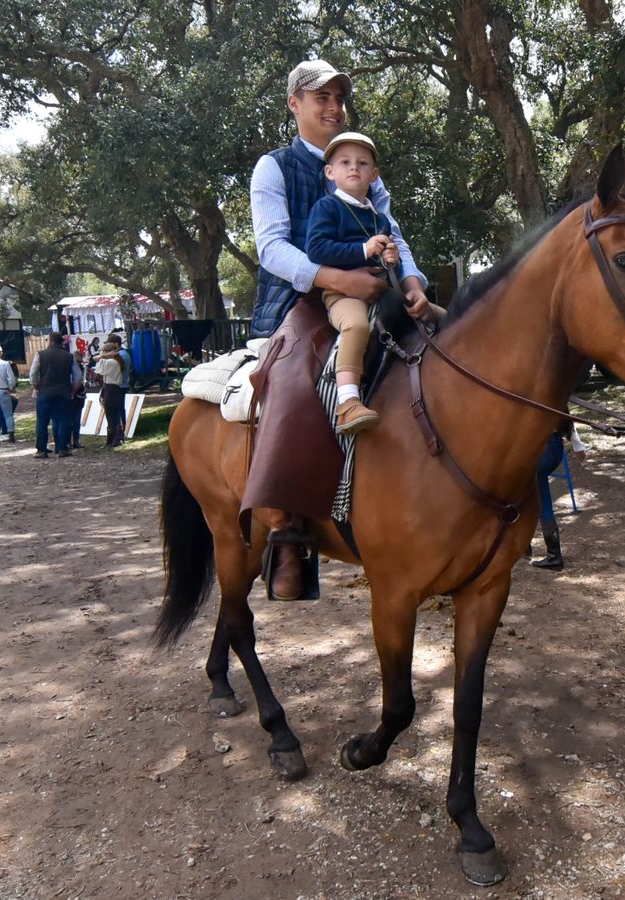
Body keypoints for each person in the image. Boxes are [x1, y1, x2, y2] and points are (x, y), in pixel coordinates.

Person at [250, 59, 428, 600]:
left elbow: (394, 234)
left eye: (338, 98)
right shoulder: (273, 167)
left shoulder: (365, 169)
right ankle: (288, 531)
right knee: (296, 382)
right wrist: (338, 278)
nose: (332, 106)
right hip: (300, 300)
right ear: (294, 105)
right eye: (319, 97)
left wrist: (415, 280)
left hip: (377, 293)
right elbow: (272, 247)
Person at [305, 131, 439, 435]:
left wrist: (389, 258)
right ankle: (347, 401)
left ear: (374, 175)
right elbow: (317, 249)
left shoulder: (379, 217)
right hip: (341, 293)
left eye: (363, 163)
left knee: (437, 315)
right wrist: (363, 250)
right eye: (346, 162)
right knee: (356, 326)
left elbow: (390, 256)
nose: (354, 168)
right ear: (331, 172)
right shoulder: (327, 208)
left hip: (381, 291)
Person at [528, 424, 588, 570]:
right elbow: (565, 412)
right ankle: (527, 546)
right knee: (528, 495)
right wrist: (577, 445)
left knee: (542, 504)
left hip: (542, 447)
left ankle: (554, 555)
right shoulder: (553, 401)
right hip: (555, 447)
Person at [29, 333, 83, 458]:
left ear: (51, 341)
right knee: (64, 420)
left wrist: (36, 386)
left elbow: (33, 374)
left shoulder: (40, 354)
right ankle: (63, 448)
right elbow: (78, 377)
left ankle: (41, 450)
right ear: (61, 342)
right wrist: (73, 391)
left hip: (45, 391)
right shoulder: (69, 356)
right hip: (63, 392)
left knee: (42, 421)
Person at [94, 338, 129, 447]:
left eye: (104, 351)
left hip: (112, 389)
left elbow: (98, 368)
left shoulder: (112, 362)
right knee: (111, 414)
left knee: (112, 415)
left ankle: (115, 438)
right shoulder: (112, 361)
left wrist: (103, 356)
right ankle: (113, 438)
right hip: (110, 388)